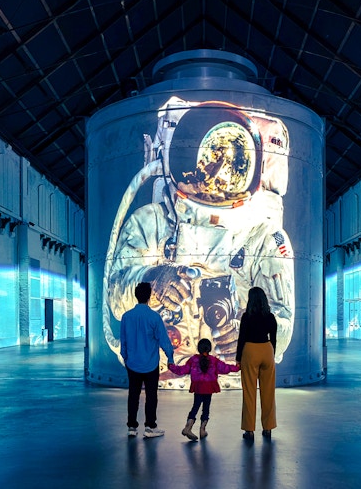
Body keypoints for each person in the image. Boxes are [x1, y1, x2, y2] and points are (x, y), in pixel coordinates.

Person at [102, 97, 296, 388]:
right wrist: (150, 281)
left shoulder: (264, 238)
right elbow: (115, 300)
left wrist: (246, 331)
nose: (217, 173)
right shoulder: (150, 223)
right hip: (160, 378)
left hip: (233, 381)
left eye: (233, 163)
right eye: (209, 158)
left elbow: (283, 323)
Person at [121, 282, 176, 438]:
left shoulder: (126, 317)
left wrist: (126, 358)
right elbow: (164, 340)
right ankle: (150, 427)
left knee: (133, 395)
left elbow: (123, 341)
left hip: (132, 363)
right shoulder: (154, 317)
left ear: (136, 296)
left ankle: (132, 427)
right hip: (151, 364)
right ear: (150, 296)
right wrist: (170, 358)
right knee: (151, 396)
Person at [168, 338, 240, 441]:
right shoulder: (214, 361)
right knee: (206, 408)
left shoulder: (193, 360)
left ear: (198, 348)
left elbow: (183, 370)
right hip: (209, 387)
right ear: (210, 349)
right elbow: (225, 368)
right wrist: (237, 367)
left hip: (198, 387)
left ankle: (188, 427)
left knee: (195, 406)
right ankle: (202, 430)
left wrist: (172, 367)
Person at [236, 287, 278, 440]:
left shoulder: (247, 316)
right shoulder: (270, 317)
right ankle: (268, 428)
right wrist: (271, 353)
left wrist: (238, 357)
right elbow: (273, 339)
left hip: (250, 350)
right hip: (267, 350)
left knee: (249, 392)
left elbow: (242, 338)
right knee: (268, 392)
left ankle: (249, 430)